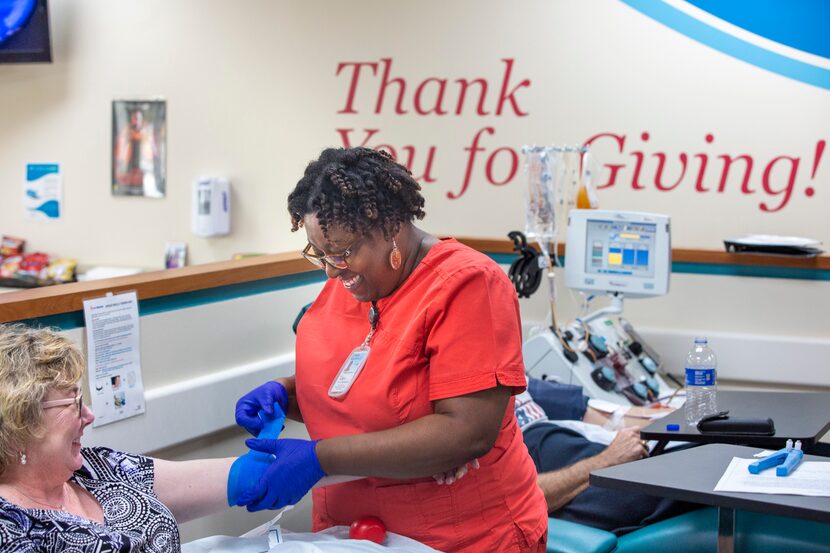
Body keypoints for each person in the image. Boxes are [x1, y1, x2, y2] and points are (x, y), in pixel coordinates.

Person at [235, 147, 548, 552]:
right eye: (320, 253)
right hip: (350, 532)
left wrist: (320, 458)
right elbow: (367, 387)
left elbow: (466, 432)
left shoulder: (468, 284)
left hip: (460, 536)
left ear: (391, 227)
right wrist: (285, 394)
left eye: (343, 252)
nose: (331, 269)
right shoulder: (350, 284)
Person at [0, 324, 237, 552]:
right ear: (20, 422)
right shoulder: (10, 532)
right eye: (74, 402)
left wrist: (265, 465)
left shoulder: (94, 467)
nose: (88, 415)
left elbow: (225, 479)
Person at [517, 377, 696, 535]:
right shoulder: (491, 416)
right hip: (562, 478)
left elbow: (589, 411)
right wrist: (606, 460)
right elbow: (516, 497)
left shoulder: (513, 380)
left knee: (704, 451)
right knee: (679, 487)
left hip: (578, 452)